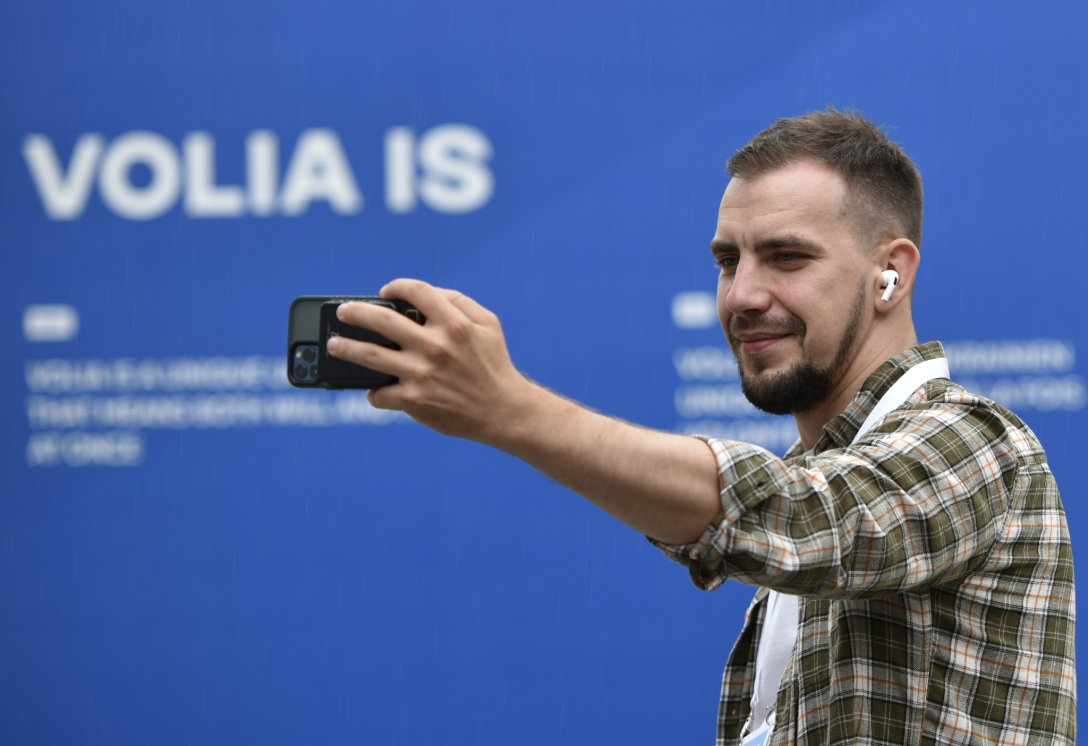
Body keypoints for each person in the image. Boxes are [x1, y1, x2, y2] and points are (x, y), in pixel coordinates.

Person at [325, 108, 1076, 746]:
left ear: (892, 274)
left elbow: (800, 515)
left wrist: (510, 409)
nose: (743, 294)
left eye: (786, 257)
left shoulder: (975, 442)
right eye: (728, 261)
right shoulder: (825, 465)